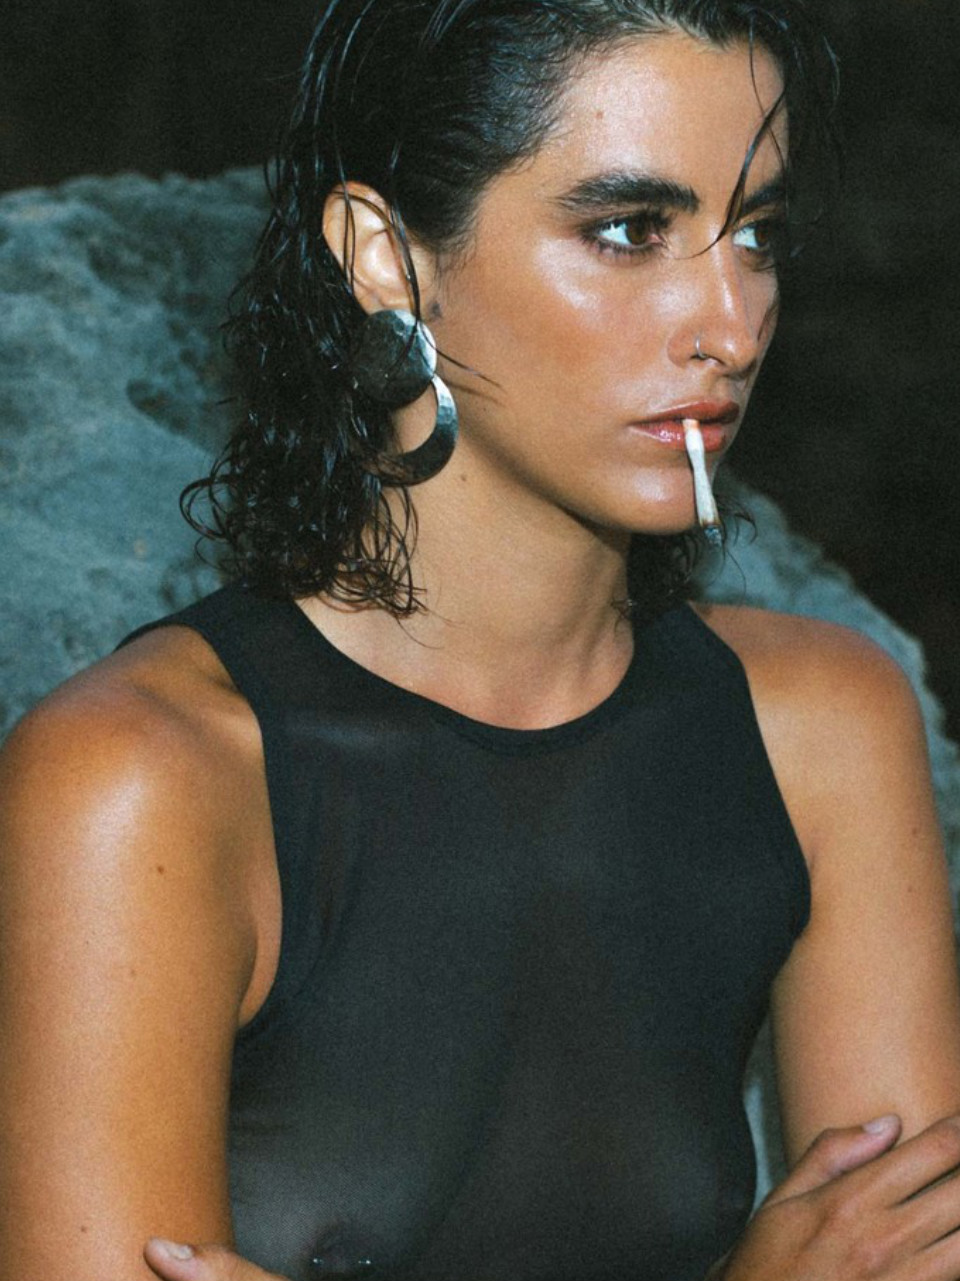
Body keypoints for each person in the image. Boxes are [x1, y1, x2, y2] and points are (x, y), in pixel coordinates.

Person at [3, 2, 960, 1280]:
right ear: (386, 258)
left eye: (759, 236)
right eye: (630, 231)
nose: (731, 327)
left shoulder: (819, 727)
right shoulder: (142, 782)